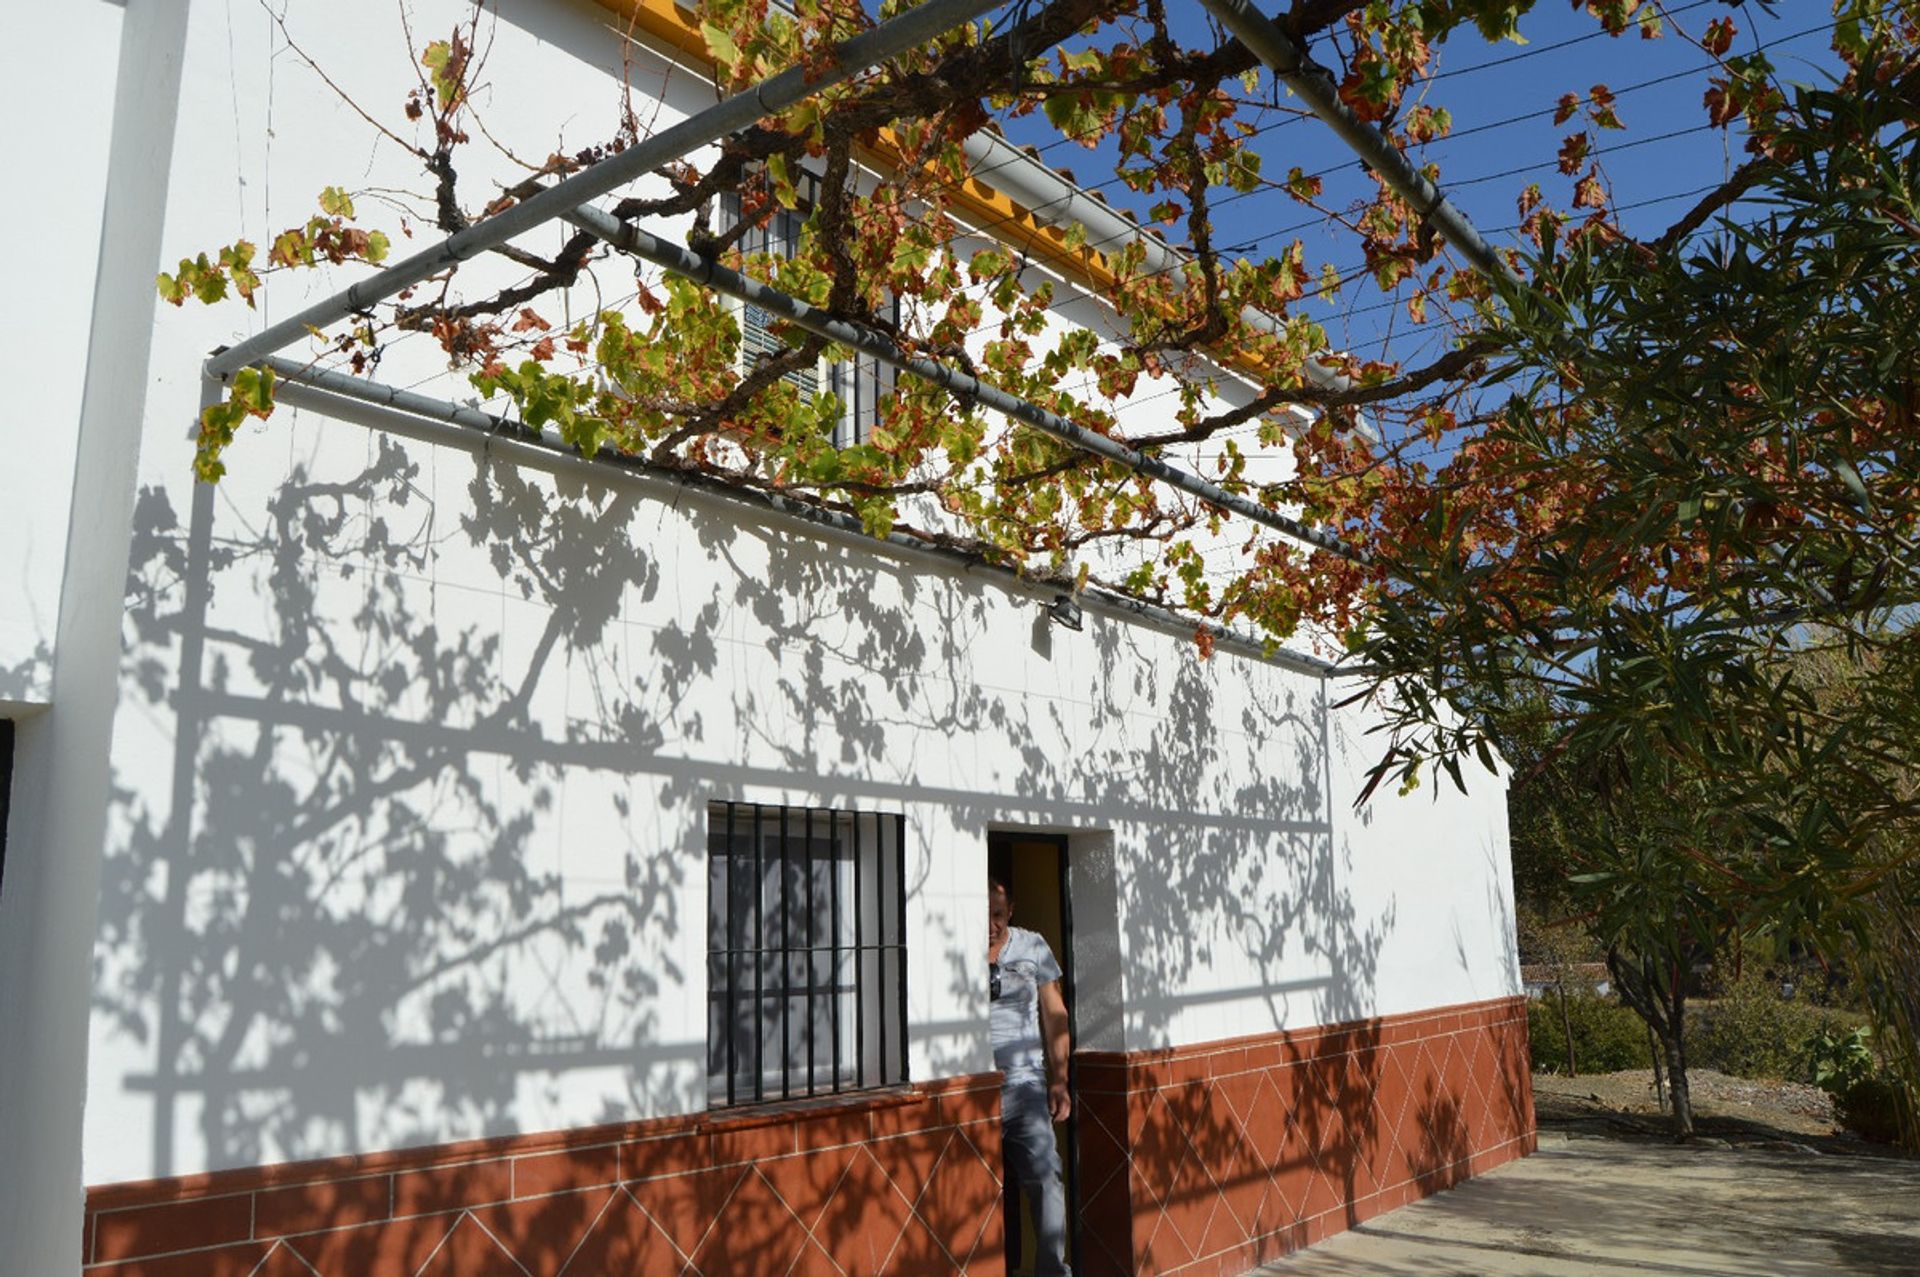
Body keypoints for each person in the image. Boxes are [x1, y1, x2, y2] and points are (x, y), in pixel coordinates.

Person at [988, 875, 1071, 1276]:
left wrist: (1059, 1081)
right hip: (972, 1090)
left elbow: (1055, 1014)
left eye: (998, 915)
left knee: (1045, 1177)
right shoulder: (954, 947)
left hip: (1024, 1086)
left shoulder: (1031, 945)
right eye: (983, 914)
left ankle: (1052, 1272)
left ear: (1011, 912)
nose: (990, 925)